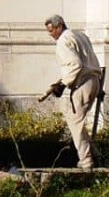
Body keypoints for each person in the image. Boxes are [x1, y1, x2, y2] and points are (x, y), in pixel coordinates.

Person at [44, 14, 104, 171]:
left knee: (75, 122)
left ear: (60, 26)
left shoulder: (63, 41)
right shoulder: (80, 36)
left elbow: (75, 64)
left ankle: (87, 161)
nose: (50, 34)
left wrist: (63, 85)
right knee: (77, 121)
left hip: (83, 83)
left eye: (51, 30)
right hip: (94, 80)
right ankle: (94, 155)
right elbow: (87, 61)